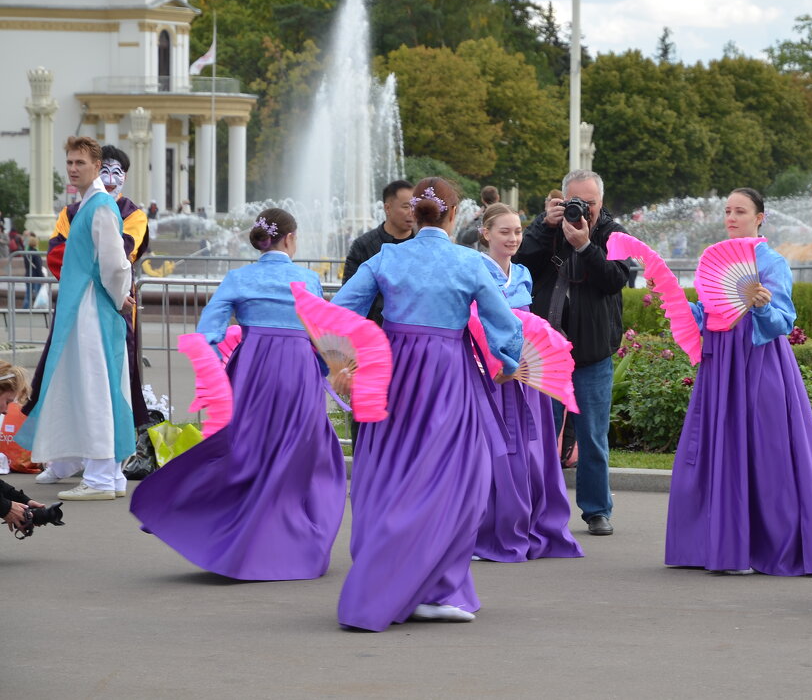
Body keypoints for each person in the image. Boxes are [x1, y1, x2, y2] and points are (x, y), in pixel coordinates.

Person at [333, 177, 522, 630]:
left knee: (389, 474)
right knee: (457, 481)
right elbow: (503, 323)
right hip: (446, 378)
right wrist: (509, 361)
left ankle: (391, 576)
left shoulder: (386, 256)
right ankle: (438, 585)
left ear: (413, 214)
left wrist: (343, 364)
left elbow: (340, 312)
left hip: (393, 375)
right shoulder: (469, 263)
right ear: (456, 215)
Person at [130, 208, 346, 579]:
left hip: (254, 370)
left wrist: (220, 370)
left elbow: (207, 332)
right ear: (291, 239)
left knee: (248, 449)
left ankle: (202, 518)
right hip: (297, 371)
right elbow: (323, 335)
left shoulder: (238, 278)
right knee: (302, 452)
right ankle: (290, 540)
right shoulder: (308, 279)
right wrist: (326, 370)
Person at [665, 188, 812, 576]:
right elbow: (708, 315)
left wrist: (763, 305)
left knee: (766, 448)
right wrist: (677, 303)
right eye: (727, 211)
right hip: (721, 363)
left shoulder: (772, 263)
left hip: (760, 361)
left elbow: (783, 324)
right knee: (716, 446)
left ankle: (763, 546)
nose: (731, 218)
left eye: (740, 211)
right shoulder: (715, 262)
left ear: (760, 218)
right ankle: (719, 544)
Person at [17, 136, 134, 501]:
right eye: (69, 162)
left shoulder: (99, 206)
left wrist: (119, 299)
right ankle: (100, 470)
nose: (72, 168)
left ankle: (100, 476)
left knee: (95, 387)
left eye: (79, 163)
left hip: (91, 309)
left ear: (96, 167)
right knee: (86, 385)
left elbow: (115, 262)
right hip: (84, 307)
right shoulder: (89, 204)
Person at [515, 170, 631, 536]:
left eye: (590, 203)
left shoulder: (614, 234)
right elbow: (518, 263)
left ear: (601, 202)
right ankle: (537, 505)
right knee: (540, 434)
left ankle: (596, 510)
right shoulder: (546, 229)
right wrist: (541, 226)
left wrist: (584, 246)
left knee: (593, 435)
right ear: (562, 200)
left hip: (593, 352)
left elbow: (616, 280)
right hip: (547, 353)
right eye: (574, 202)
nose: (582, 209)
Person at [473, 203, 583, 562]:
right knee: (490, 453)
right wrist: (494, 361)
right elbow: (471, 324)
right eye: (504, 232)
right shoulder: (474, 271)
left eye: (517, 232)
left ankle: (531, 522)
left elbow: (529, 327)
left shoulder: (522, 274)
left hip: (525, 375)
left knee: (532, 451)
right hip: (489, 372)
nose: (513, 238)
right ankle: (488, 528)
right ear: (486, 233)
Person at [38, 145, 152, 438]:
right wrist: (86, 267)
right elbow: (55, 253)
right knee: (66, 365)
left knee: (112, 369)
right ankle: (70, 449)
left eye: (118, 173)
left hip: (116, 301)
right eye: (105, 171)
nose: (111, 179)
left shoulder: (133, 214)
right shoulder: (71, 211)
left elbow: (121, 252)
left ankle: (111, 447)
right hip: (75, 299)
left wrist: (86, 264)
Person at [341, 179, 415, 326]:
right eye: (406, 206)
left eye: (415, 206)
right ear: (387, 208)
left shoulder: (421, 243)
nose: (412, 212)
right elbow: (350, 293)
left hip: (412, 331)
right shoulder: (364, 245)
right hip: (373, 332)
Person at [456, 185, 500, 251]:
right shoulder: (505, 215)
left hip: (486, 255)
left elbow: (466, 238)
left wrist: (474, 219)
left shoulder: (483, 218)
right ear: (498, 197)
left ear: (482, 199)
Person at [21, 231, 42, 309]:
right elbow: (38, 267)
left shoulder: (26, 253)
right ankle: (38, 308)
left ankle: (25, 308)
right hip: (35, 276)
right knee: (38, 293)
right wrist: (42, 277)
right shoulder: (35, 253)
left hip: (28, 274)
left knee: (28, 294)